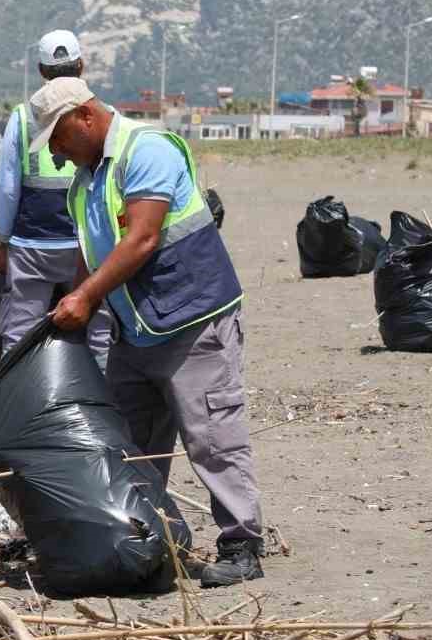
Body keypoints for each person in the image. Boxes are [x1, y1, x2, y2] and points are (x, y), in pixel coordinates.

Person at [31, 77, 264, 587]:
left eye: (58, 139)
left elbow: (142, 237)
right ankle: (146, 542)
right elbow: (90, 256)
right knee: (129, 445)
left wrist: (86, 299)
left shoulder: (147, 151)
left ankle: (242, 543)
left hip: (191, 319)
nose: (56, 153)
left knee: (212, 436)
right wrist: (71, 305)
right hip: (135, 330)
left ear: (85, 118)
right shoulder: (85, 182)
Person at [0, 29, 111, 364]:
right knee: (99, 331)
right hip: (88, 246)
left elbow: (7, 187)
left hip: (33, 245)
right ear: (82, 66)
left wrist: (4, 240)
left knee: (19, 333)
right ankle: (100, 403)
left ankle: (18, 403)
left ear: (42, 71)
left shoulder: (23, 116)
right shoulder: (102, 114)